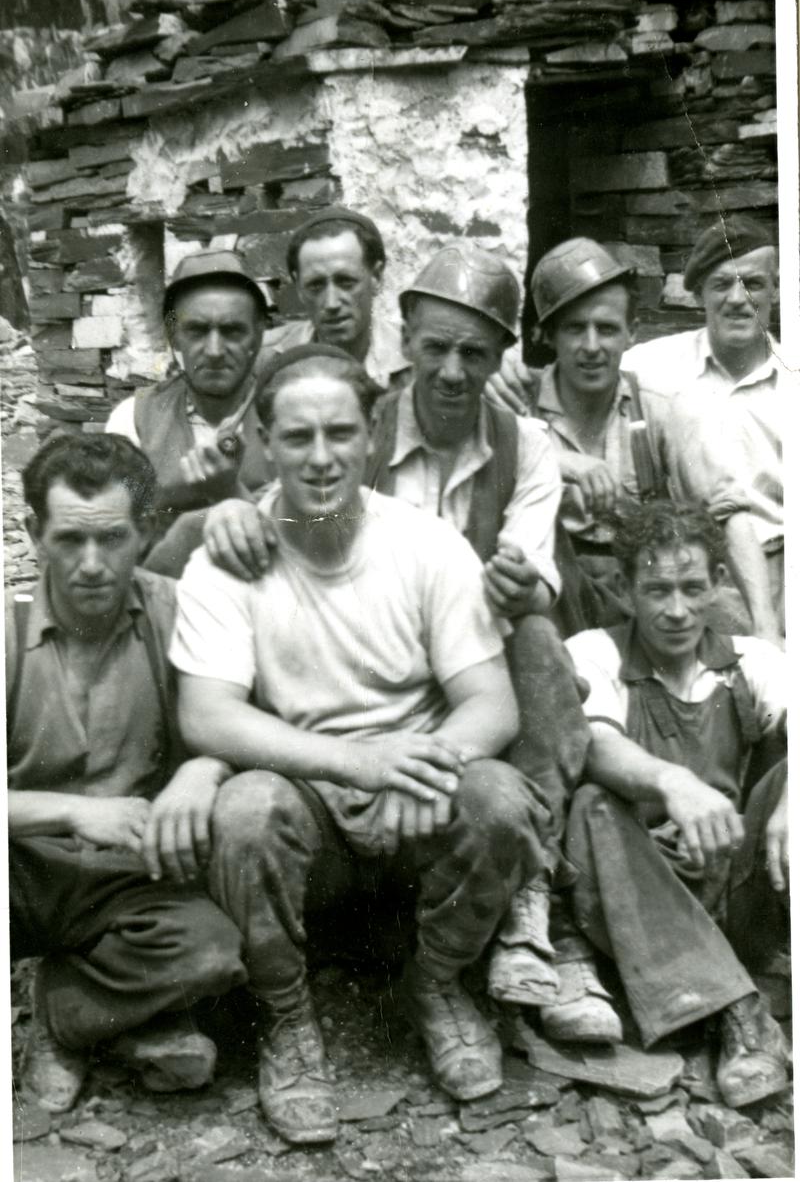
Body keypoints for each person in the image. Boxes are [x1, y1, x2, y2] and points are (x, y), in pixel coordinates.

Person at [200, 243, 618, 1042]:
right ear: (406, 340)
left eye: (476, 353)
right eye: (436, 348)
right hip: (363, 669)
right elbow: (294, 497)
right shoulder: (358, 424)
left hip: (471, 672)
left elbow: (535, 588)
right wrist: (232, 510)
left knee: (532, 634)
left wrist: (513, 583)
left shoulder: (525, 445)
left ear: (503, 358)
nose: (455, 372)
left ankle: (531, 899)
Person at [169, 346, 552, 1144]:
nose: (320, 457)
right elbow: (207, 716)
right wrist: (359, 761)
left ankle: (437, 982)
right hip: (309, 799)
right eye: (297, 437)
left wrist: (423, 765)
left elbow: (491, 702)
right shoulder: (228, 561)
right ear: (265, 443)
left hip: (416, 796)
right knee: (243, 810)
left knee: (500, 800)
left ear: (372, 435)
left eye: (340, 433)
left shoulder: (426, 542)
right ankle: (288, 1022)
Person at [7, 433, 247, 1112]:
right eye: (69, 540)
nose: (90, 565)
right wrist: (74, 811)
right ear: (33, 532)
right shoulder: (5, 632)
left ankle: (64, 1012)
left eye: (111, 539)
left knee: (212, 954)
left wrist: (202, 768)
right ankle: (139, 1022)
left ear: (144, 532)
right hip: (20, 870)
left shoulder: (179, 612)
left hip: (127, 882)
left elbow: (236, 719)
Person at [562, 500, 789, 1108]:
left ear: (719, 583)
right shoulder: (595, 654)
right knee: (592, 803)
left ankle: (713, 983)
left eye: (693, 587)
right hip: (633, 895)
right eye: (657, 589)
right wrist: (672, 782)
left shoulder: (751, 662)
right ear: (627, 589)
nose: (677, 609)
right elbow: (593, 748)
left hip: (731, 882)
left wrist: (790, 796)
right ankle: (742, 1012)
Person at [487, 235, 780, 643]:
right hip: (549, 608)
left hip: (643, 610)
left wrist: (766, 628)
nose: (592, 346)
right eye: (575, 329)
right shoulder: (514, 404)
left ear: (631, 334)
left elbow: (728, 512)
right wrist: (560, 463)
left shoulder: (658, 408)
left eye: (606, 329)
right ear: (548, 335)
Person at [623, 216, 784, 632]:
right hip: (691, 576)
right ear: (699, 295)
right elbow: (580, 373)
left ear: (776, 289)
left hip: (783, 571)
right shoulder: (649, 365)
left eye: (752, 283)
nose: (737, 299)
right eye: (720, 284)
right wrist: (510, 375)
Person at [105, 250, 275, 571]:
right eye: (197, 331)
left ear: (258, 335)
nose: (214, 351)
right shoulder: (133, 421)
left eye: (233, 331)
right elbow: (115, 542)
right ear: (174, 336)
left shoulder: (287, 416)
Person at [260, 205, 409, 388]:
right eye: (315, 285)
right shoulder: (270, 360)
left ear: (376, 277)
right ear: (298, 287)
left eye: (346, 282)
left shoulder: (412, 355)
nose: (331, 303)